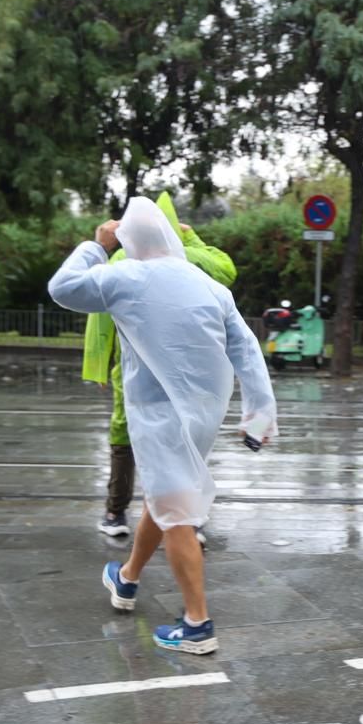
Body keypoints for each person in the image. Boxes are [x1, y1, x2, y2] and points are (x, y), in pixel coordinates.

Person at [50, 197, 275, 655]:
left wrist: (96, 245)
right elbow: (248, 352)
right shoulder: (210, 285)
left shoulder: (125, 276)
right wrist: (259, 413)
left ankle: (197, 624)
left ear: (130, 241)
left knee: (178, 513)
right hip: (204, 415)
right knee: (167, 492)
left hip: (158, 414)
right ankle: (128, 578)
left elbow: (64, 287)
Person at [82, 192, 238, 539]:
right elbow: (226, 270)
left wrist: (99, 363)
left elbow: (100, 316)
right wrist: (191, 237)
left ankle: (116, 512)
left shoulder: (123, 256)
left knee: (128, 433)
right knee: (183, 436)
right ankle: (186, 517)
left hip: (136, 369)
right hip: (184, 368)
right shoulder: (190, 259)